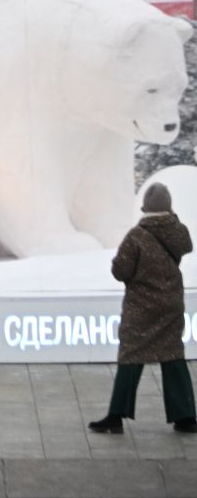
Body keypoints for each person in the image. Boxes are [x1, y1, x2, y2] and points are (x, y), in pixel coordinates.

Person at [90, 184, 197, 434]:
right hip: (170, 303)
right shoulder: (178, 231)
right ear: (169, 207)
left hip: (141, 308)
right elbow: (186, 246)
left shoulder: (136, 236)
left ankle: (116, 416)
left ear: (145, 208)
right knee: (172, 356)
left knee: (131, 357)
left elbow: (120, 271)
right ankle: (185, 417)